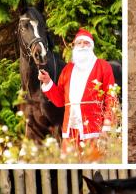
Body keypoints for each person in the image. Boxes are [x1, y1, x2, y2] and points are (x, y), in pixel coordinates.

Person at [38, 28, 118, 160]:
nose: (82, 46)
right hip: (70, 130)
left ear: (91, 46)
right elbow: (59, 101)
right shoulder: (68, 69)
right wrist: (47, 82)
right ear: (74, 46)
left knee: (93, 162)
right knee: (70, 163)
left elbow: (111, 97)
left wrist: (107, 126)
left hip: (94, 129)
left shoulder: (103, 66)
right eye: (79, 43)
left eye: (86, 43)